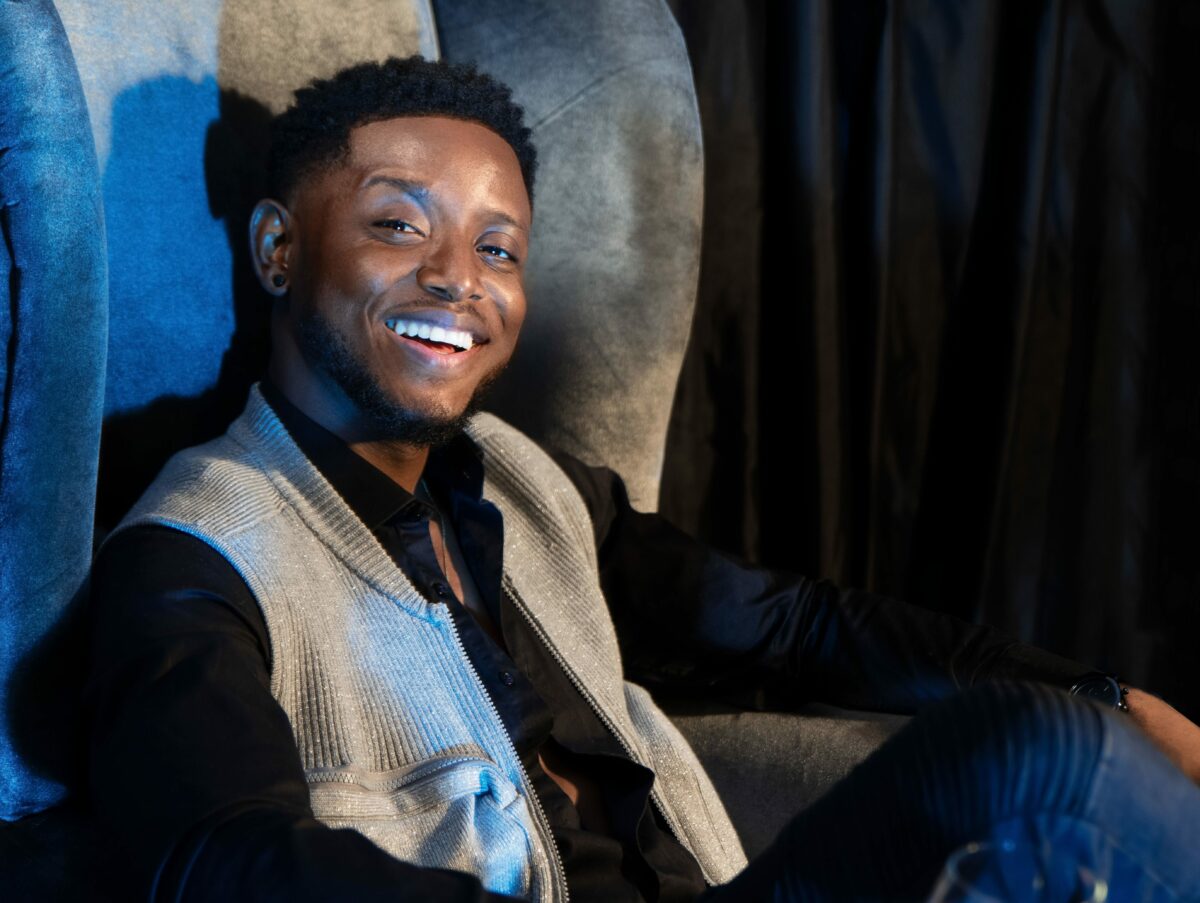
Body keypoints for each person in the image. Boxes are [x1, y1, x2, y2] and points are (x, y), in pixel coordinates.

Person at [84, 56, 1200, 902]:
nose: (459, 279)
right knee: (1044, 771)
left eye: (498, 248)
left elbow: (791, 625)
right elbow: (224, 857)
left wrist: (1106, 696)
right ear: (278, 249)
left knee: (1049, 753)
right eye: (398, 225)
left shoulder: (524, 487)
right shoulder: (194, 554)